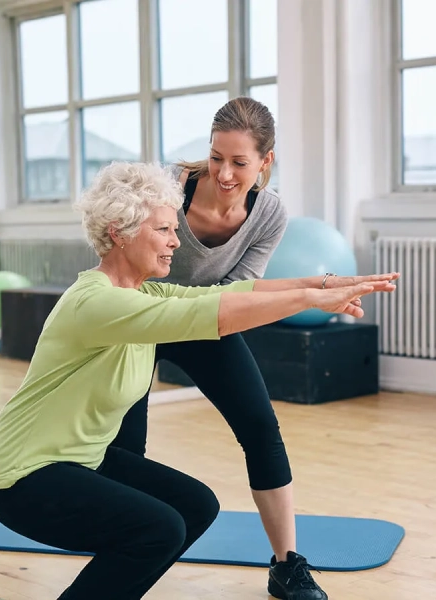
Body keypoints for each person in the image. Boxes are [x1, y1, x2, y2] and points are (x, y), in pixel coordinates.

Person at [0, 160, 398, 600]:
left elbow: (229, 293)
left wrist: (324, 283)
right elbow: (212, 314)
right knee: (158, 528)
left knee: (195, 506)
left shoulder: (143, 290)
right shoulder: (96, 303)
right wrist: (309, 300)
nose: (176, 242)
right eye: (163, 230)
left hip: (81, 459)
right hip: (23, 475)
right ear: (119, 232)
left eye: (173, 229)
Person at [109, 96, 395, 600]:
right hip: (142, 318)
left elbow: (238, 293)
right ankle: (120, 550)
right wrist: (308, 291)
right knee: (126, 446)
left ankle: (287, 566)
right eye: (216, 157)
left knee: (261, 429)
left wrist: (314, 290)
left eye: (239, 162)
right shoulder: (168, 189)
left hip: (208, 320)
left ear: (266, 161)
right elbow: (121, 258)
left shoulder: (269, 214)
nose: (224, 173)